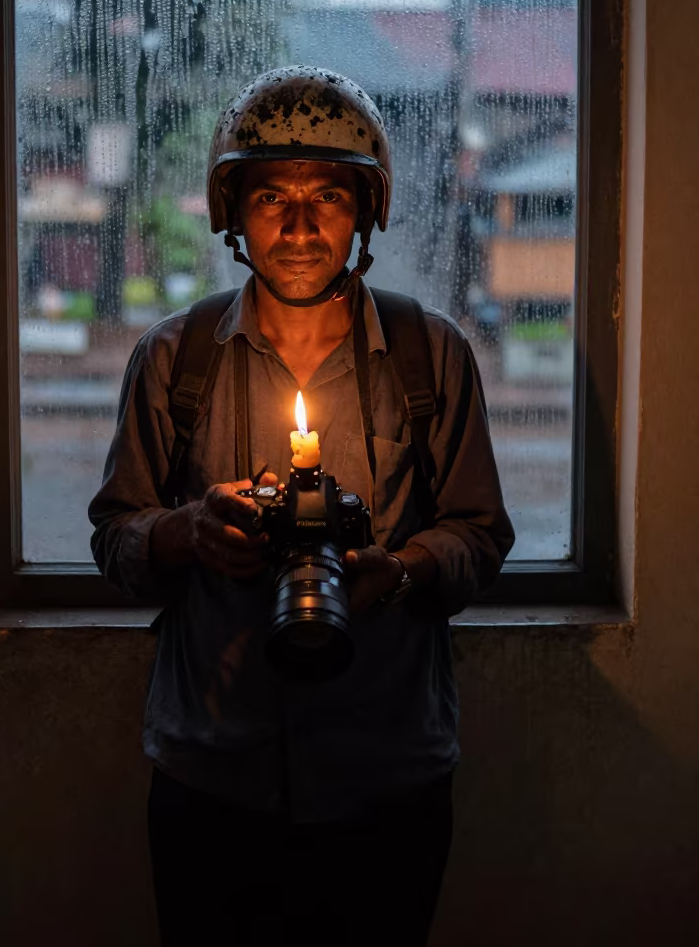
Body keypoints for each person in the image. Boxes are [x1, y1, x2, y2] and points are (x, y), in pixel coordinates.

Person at [89, 66, 515, 947]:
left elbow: (481, 535)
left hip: (385, 776)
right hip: (213, 775)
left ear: (365, 213)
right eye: (269, 197)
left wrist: (393, 572)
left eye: (326, 195)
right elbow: (116, 539)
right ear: (232, 216)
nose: (297, 225)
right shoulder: (175, 361)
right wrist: (188, 532)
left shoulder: (429, 357)